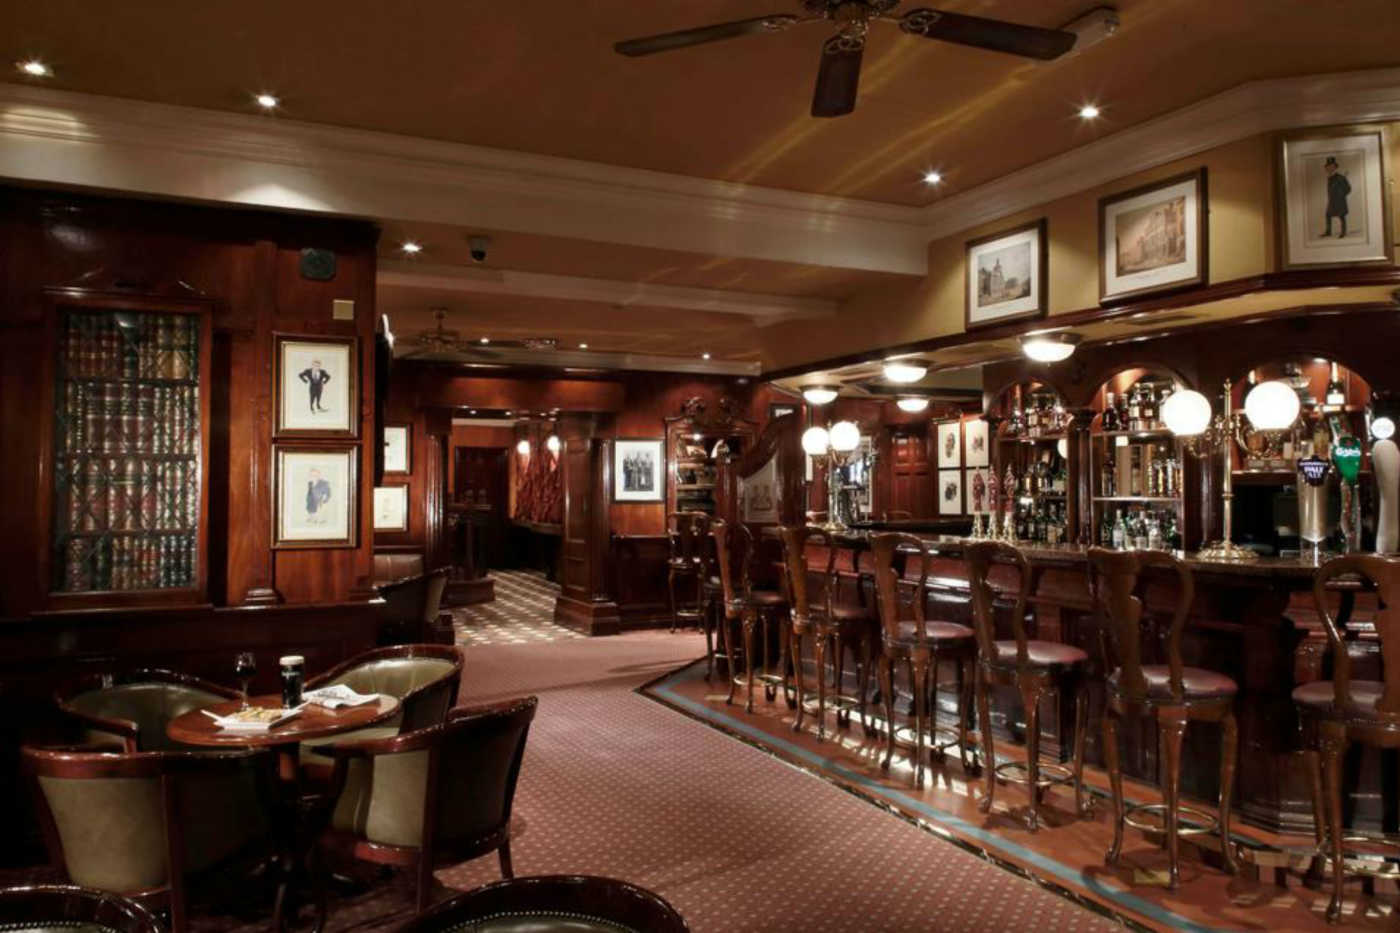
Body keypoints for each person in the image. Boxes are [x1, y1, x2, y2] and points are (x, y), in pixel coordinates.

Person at [1321, 156, 1351, 238]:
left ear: (1335, 167)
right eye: (1328, 167)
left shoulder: (1341, 178)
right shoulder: (1329, 178)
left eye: (1331, 166)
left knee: (1341, 216)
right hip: (1332, 201)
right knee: (1328, 215)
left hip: (1340, 201)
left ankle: (1343, 232)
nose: (1329, 168)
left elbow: (1348, 188)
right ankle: (1328, 231)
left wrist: (1341, 194)